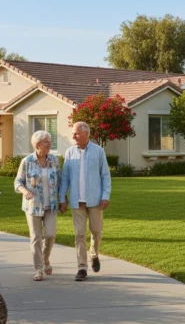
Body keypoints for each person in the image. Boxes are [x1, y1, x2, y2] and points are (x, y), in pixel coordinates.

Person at [59, 121, 111, 282]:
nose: (73, 136)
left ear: (87, 134)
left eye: (77, 133)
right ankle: (82, 267)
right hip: (76, 201)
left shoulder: (98, 151)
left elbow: (105, 175)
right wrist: (62, 198)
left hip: (95, 200)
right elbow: (65, 177)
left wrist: (105, 196)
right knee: (79, 234)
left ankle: (94, 254)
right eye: (73, 133)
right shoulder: (69, 153)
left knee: (96, 231)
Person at [14, 130, 61, 281]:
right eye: (47, 141)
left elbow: (59, 182)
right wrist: (24, 191)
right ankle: (39, 269)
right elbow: (17, 182)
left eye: (49, 141)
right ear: (37, 144)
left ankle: (45, 259)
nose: (50, 144)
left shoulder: (54, 160)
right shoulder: (27, 161)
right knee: (36, 238)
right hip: (33, 206)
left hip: (51, 205)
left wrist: (63, 200)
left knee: (50, 235)